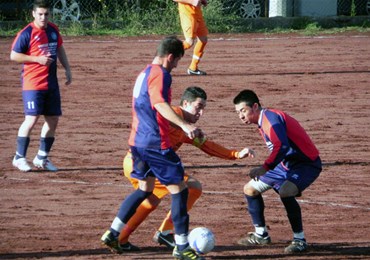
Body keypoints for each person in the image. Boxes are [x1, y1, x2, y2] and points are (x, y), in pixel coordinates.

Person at [101, 36, 205, 260]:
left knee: (145, 189)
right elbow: (159, 103)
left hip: (137, 142)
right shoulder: (161, 74)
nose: (176, 66)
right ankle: (182, 247)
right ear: (170, 57)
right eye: (177, 61)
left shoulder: (144, 72)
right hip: (155, 143)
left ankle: (113, 232)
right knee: (180, 190)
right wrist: (185, 125)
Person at [117, 86, 255, 251]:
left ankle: (120, 239)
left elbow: (207, 146)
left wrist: (236, 154)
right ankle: (164, 232)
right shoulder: (172, 115)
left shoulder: (186, 128)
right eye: (198, 107)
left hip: (140, 164)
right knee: (192, 187)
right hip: (140, 162)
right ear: (186, 103)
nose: (201, 113)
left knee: (151, 201)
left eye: (203, 108)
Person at [233, 89, 322, 253]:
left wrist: (264, 167)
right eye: (238, 112)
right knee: (250, 189)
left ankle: (299, 240)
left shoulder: (270, 119)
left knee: (286, 191)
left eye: (243, 111)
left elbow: (282, 146)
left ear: (255, 106)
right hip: (284, 164)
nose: (240, 116)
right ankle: (261, 235)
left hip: (306, 164)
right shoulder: (264, 120)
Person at [10, 0, 72, 172]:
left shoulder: (53, 29)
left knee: (53, 119)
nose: (43, 17)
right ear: (34, 14)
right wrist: (36, 59)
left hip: (51, 83)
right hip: (33, 84)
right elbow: (14, 55)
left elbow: (59, 48)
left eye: (46, 14)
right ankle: (19, 157)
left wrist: (67, 68)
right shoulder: (27, 33)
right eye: (40, 14)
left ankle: (41, 158)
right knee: (31, 119)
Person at [174, 0, 208, 76]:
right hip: (187, 14)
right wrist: (192, 1)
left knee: (203, 39)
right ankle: (165, 53)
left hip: (197, 13)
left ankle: (193, 68)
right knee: (189, 42)